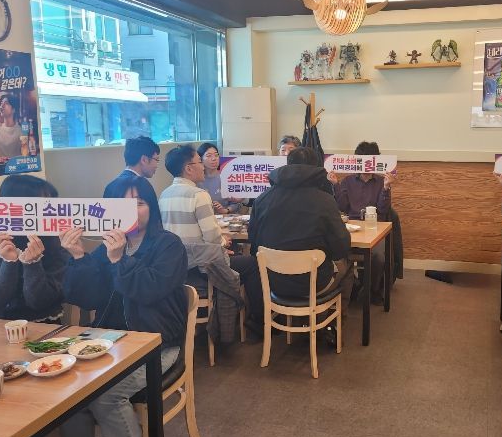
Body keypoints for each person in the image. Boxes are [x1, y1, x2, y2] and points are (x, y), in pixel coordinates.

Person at [59, 175, 187, 437]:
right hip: (110, 344)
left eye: (139, 203)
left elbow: (149, 290)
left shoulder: (169, 245)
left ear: (151, 207)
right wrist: (78, 257)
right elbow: (88, 298)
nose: (132, 211)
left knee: (107, 397)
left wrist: (120, 261)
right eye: (122, 204)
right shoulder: (107, 248)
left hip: (158, 344)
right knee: (68, 392)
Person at [249, 146, 352, 341]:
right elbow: (341, 247)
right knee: (347, 265)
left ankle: (297, 321)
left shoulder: (263, 198)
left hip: (273, 281)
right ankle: (331, 326)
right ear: (317, 169)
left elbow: (253, 242)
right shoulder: (325, 201)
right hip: (314, 283)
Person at [158, 145, 263, 333]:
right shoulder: (199, 195)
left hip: (177, 267)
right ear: (189, 168)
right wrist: (224, 241)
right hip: (202, 267)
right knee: (252, 264)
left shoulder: (164, 195)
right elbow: (212, 238)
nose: (203, 166)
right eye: (200, 162)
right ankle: (257, 321)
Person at [0, 175, 66, 322]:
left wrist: (33, 264)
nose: (50, 211)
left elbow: (39, 302)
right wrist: (8, 261)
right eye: (43, 205)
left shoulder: (57, 239)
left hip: (45, 321)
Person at [329, 141, 396, 305]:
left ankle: (372, 290)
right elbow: (342, 207)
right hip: (351, 228)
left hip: (375, 228)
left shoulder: (381, 182)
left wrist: (386, 188)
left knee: (378, 257)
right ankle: (351, 287)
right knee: (336, 251)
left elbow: (382, 209)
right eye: (361, 160)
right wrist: (336, 185)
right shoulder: (347, 181)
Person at [196, 142, 243, 214]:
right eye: (209, 156)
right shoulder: (197, 180)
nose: (214, 158)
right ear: (200, 159)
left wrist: (225, 210)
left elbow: (237, 203)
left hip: (226, 217)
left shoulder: (228, 177)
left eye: (216, 155)